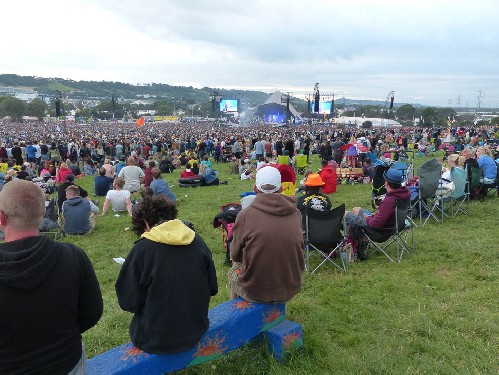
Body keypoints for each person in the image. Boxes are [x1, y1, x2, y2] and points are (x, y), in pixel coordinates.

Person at [0, 179, 103, 374]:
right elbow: (92, 312)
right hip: (67, 362)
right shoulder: (73, 255)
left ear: (1, 218)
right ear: (42, 214)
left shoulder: (73, 255)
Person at [115, 196, 218, 354]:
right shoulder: (196, 240)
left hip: (156, 340)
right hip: (196, 328)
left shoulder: (142, 250)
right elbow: (213, 287)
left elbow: (129, 302)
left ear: (146, 224)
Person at [229, 166, 304, 303]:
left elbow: (235, 254)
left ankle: (234, 311)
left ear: (255, 189)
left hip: (255, 291)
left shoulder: (245, 215)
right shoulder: (296, 213)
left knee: (234, 268)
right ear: (281, 188)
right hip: (291, 286)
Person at [344, 168, 410, 259]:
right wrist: (374, 216)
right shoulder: (403, 195)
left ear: (386, 182)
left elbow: (375, 224)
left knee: (346, 214)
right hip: (393, 226)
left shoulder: (390, 200)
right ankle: (362, 241)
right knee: (356, 209)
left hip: (379, 233)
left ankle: (354, 248)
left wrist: (368, 218)